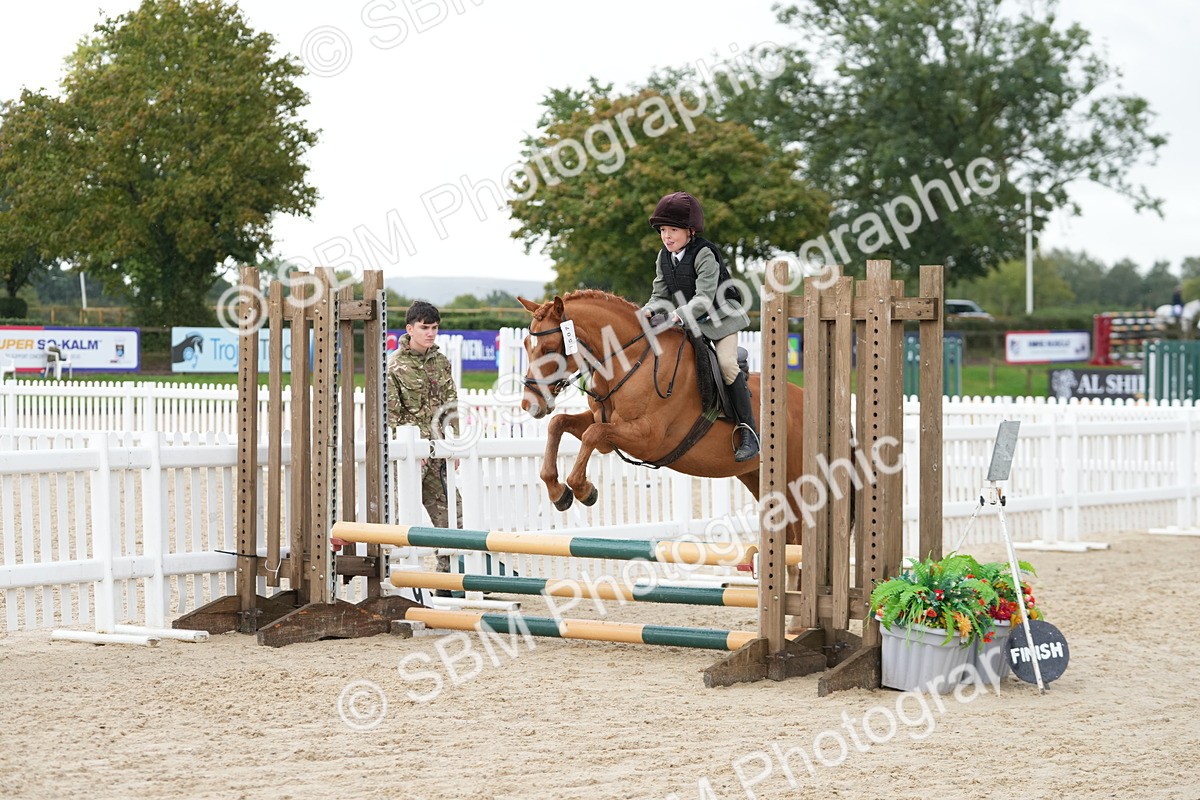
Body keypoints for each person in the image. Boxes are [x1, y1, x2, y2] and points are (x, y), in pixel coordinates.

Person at [640, 191, 759, 462]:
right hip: (693, 320)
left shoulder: (705, 253)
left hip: (722, 319)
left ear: (690, 231)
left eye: (673, 230)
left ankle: (750, 431)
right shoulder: (663, 257)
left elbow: (704, 299)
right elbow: (659, 295)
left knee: (727, 363)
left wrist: (676, 317)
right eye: (663, 231)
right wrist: (647, 310)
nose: (667, 236)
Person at [388, 300, 461, 575]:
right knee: (399, 520)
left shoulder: (442, 363)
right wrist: (407, 454)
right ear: (410, 329)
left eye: (434, 327)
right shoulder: (395, 366)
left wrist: (454, 447)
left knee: (453, 518)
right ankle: (397, 577)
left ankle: (449, 580)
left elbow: (451, 405)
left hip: (438, 454)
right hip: (408, 457)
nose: (430, 333)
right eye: (424, 327)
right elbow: (391, 416)